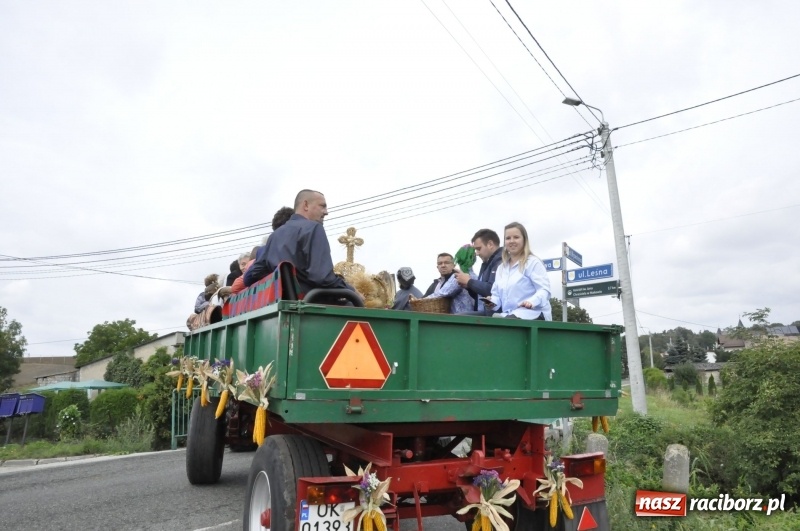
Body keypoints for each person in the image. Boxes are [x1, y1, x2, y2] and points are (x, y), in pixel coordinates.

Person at [243, 190, 356, 300]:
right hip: (313, 306)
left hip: (281, 307)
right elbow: (322, 277)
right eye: (322, 206)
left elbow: (252, 275)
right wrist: (352, 291)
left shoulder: (274, 236)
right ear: (306, 205)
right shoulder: (314, 228)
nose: (326, 212)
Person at [486, 222, 552, 320]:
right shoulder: (501, 268)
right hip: (510, 315)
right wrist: (491, 302)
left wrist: (532, 301)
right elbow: (497, 296)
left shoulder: (533, 263)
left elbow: (544, 290)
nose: (511, 241)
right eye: (508, 238)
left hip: (533, 314)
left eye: (516, 237)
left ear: (524, 240)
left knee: (504, 325)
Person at [455, 228, 502, 314]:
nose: (476, 253)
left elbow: (491, 290)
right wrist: (469, 287)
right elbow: (481, 296)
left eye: (479, 249)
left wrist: (469, 281)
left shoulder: (501, 261)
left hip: (496, 315)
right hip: (486, 312)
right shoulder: (486, 263)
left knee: (458, 319)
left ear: (490, 244)